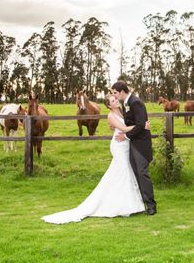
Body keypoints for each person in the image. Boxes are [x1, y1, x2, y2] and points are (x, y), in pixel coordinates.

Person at [41, 93, 149, 224]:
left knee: (124, 173)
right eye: (113, 101)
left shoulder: (122, 111)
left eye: (115, 99)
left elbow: (128, 122)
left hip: (127, 144)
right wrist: (142, 125)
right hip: (119, 145)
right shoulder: (111, 115)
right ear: (109, 106)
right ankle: (123, 205)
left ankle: (130, 204)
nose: (116, 101)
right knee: (123, 172)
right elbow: (124, 128)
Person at [111, 80, 157, 215]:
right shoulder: (126, 104)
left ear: (122, 92)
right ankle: (141, 203)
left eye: (115, 93)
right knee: (136, 173)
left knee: (142, 173)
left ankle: (151, 205)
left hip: (141, 144)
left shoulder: (135, 102)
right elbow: (136, 123)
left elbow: (140, 125)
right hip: (133, 143)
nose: (114, 96)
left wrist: (125, 136)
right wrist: (116, 124)